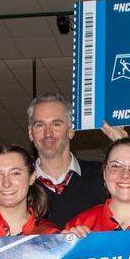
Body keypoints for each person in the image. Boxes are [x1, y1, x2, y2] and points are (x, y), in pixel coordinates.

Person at [26, 93, 109, 226]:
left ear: (71, 130)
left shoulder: (103, 174)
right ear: (30, 133)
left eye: (56, 124)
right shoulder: (19, 185)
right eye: (40, 125)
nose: (48, 134)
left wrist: (122, 142)